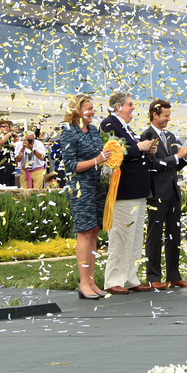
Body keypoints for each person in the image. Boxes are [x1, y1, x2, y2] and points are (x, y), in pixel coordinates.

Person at [99, 91, 155, 295]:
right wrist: (138, 148)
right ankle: (113, 279)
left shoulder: (125, 126)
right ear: (118, 107)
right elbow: (113, 152)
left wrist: (146, 150)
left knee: (135, 236)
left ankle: (130, 277)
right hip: (124, 189)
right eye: (130, 105)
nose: (133, 108)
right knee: (121, 236)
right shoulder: (108, 124)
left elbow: (131, 149)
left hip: (137, 188)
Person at [141, 98, 187, 290]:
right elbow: (153, 164)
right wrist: (176, 156)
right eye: (165, 115)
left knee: (174, 234)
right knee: (155, 235)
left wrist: (185, 155)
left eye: (169, 115)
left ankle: (174, 275)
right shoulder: (146, 136)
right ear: (155, 115)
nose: (168, 119)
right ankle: (153, 277)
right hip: (156, 192)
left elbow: (175, 164)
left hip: (173, 190)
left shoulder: (170, 136)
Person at [58, 94, 109, 300]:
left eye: (93, 108)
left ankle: (91, 279)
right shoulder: (68, 132)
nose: (92, 112)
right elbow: (70, 166)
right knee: (85, 232)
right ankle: (83, 282)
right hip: (80, 187)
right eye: (88, 109)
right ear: (77, 110)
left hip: (98, 184)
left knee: (95, 231)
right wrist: (96, 161)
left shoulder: (94, 131)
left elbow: (101, 155)